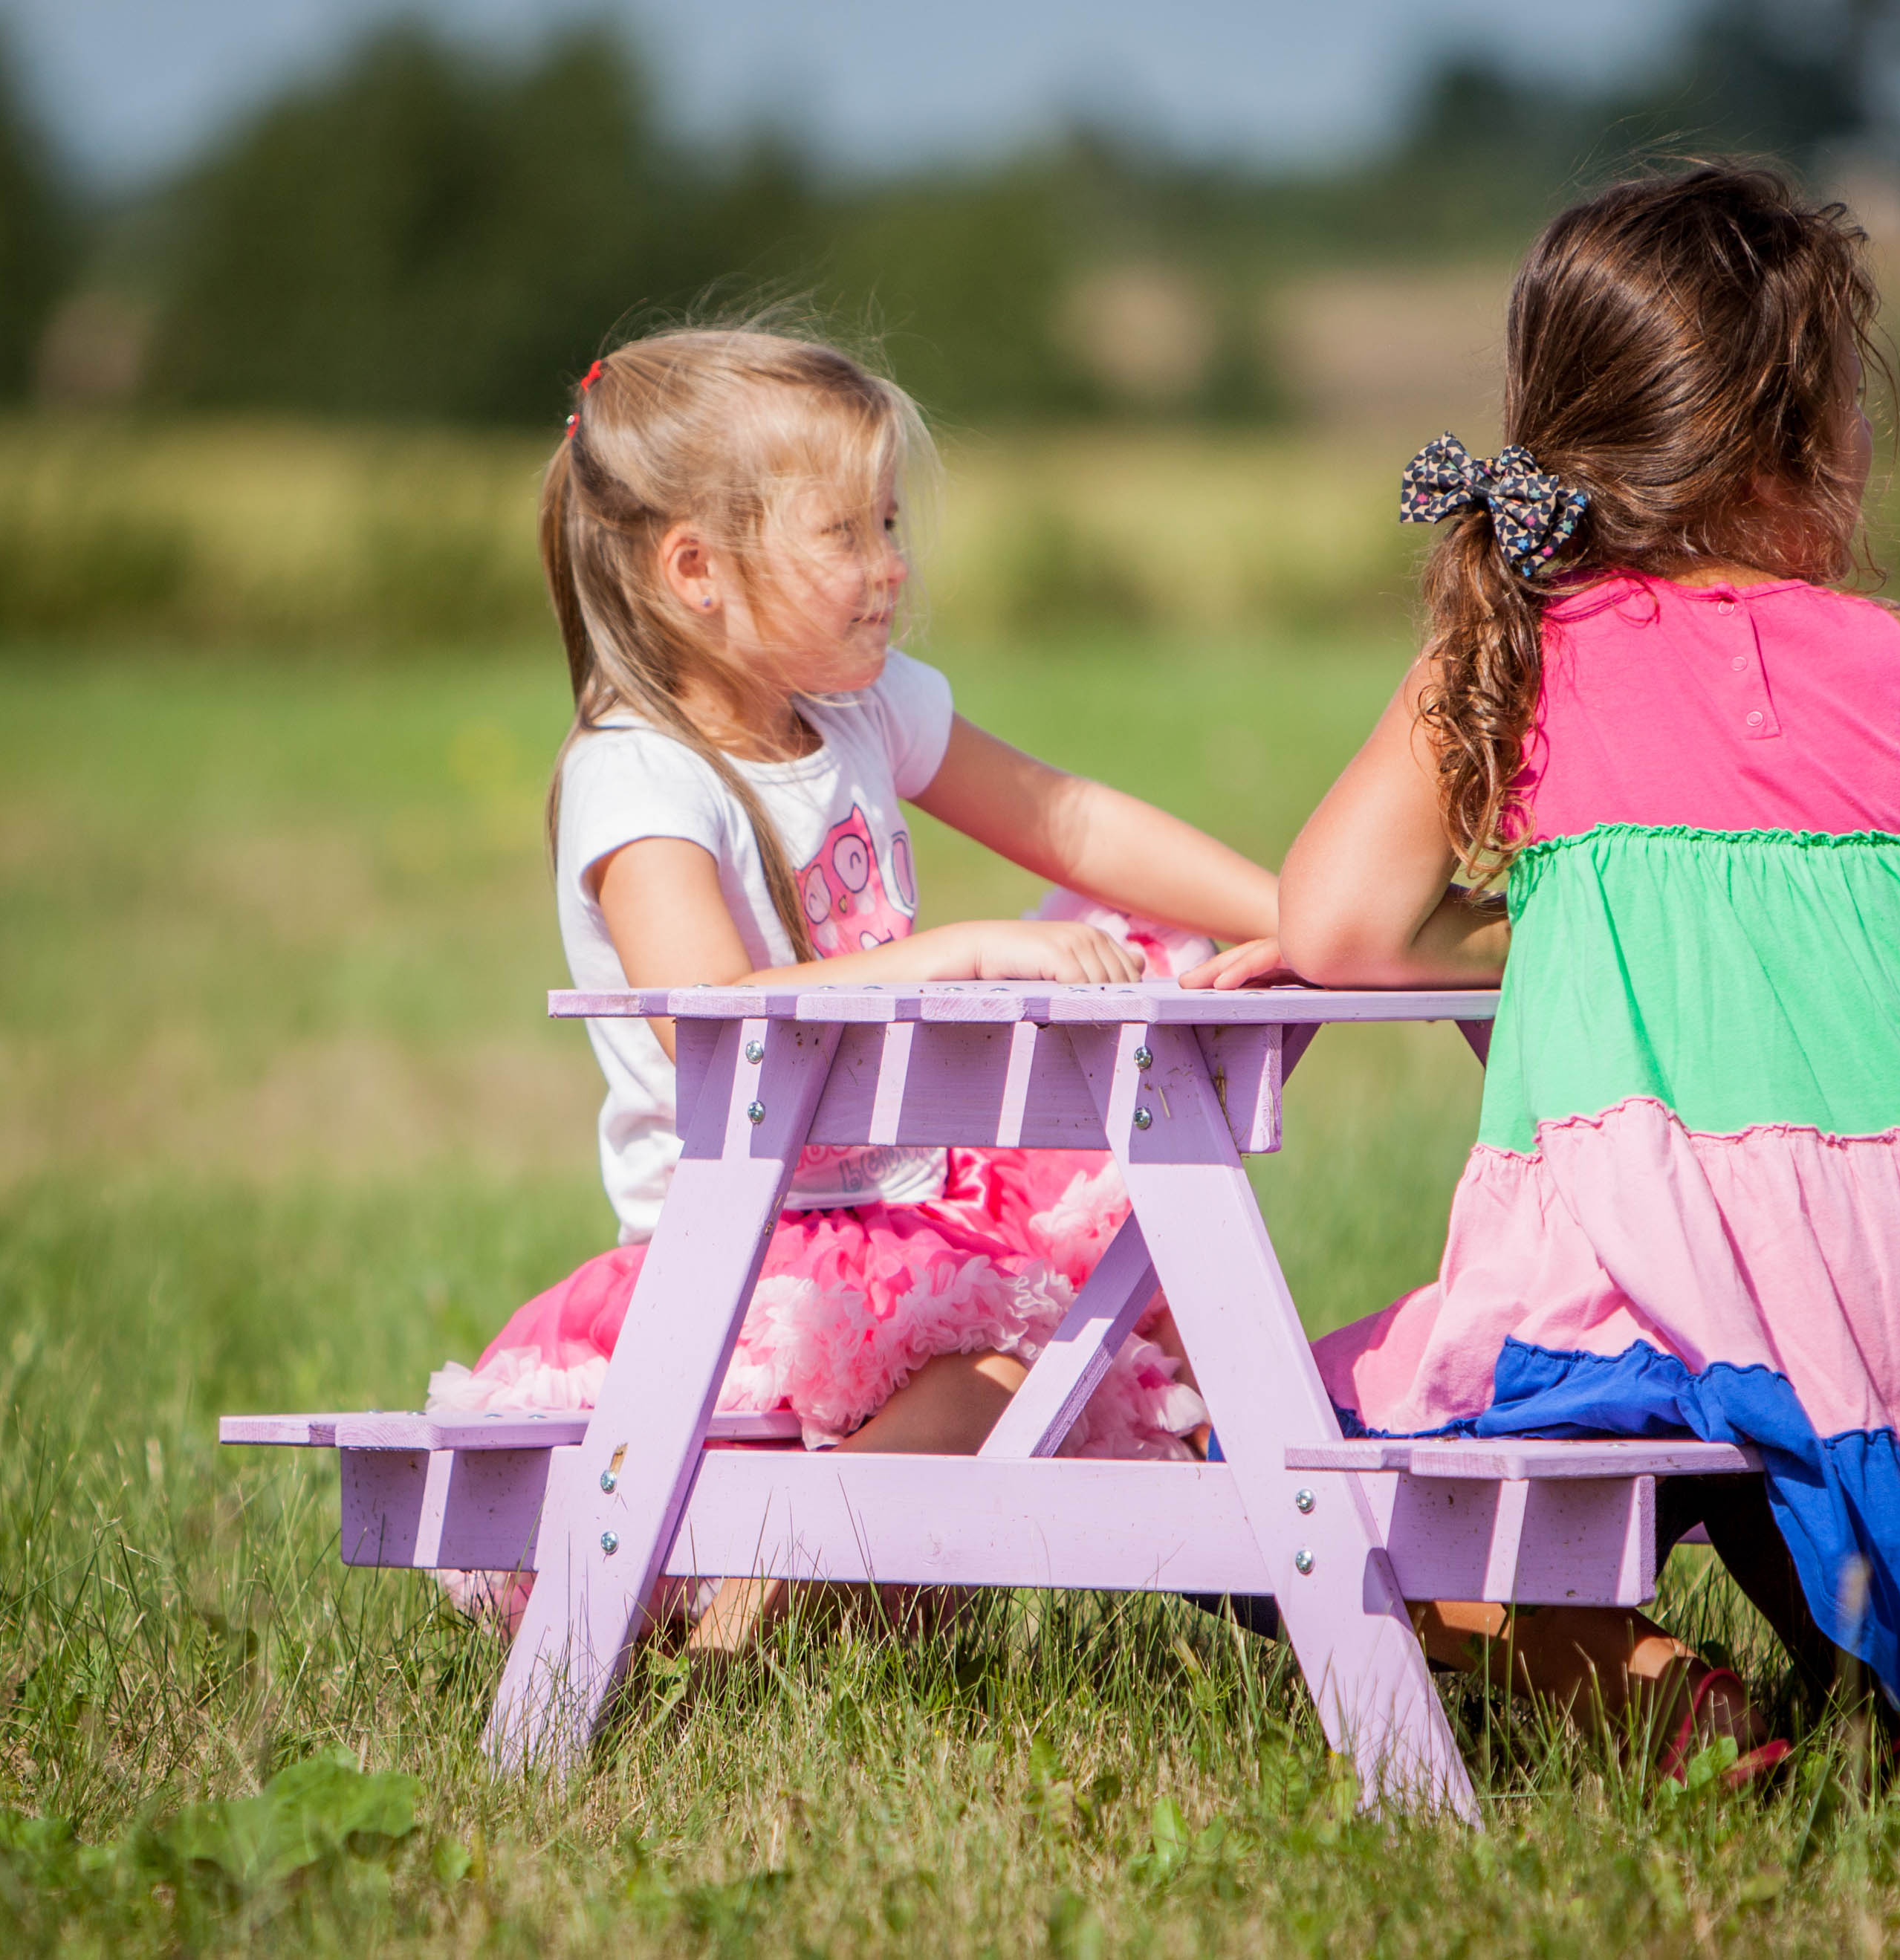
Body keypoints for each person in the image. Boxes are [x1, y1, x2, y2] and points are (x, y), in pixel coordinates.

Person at [1201, 166, 1900, 1771]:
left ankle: (1639, 1677)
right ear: (1787, 443)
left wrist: (1529, 929)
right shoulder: (1894, 651)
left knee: (1244, 1464)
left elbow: (1333, 927)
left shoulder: (1519, 642)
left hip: (1680, 1286)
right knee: (1759, 1390)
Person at [426, 325, 1270, 1652]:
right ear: (694, 571)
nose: (891, 570)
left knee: (1140, 977)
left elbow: (1069, 821)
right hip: (746, 1241)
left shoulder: (861, 717)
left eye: (890, 524)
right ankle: (768, 1584)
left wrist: (1292, 913)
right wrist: (956, 951)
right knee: (1025, 1373)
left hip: (897, 1210)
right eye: (846, 535)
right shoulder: (635, 776)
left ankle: (801, 1581)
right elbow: (702, 1002)